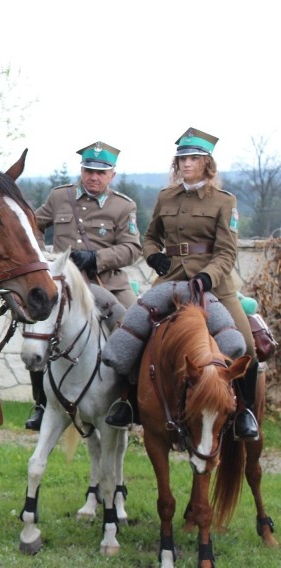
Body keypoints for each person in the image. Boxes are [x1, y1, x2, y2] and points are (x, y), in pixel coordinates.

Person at [141, 127, 258, 439]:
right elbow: (151, 237)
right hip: (170, 281)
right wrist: (154, 257)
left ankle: (244, 411)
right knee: (133, 332)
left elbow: (226, 251)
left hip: (214, 285)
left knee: (246, 344)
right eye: (181, 159)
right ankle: (128, 402)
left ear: (207, 163)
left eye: (193, 158)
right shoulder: (165, 196)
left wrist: (208, 275)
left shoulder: (223, 201)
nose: (186, 164)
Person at [26, 141, 141, 430]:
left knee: (135, 328)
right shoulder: (59, 197)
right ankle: (41, 403)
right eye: (89, 170)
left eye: (101, 173)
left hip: (108, 284)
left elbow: (132, 248)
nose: (94, 177)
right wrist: (42, 258)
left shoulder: (124, 206)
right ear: (82, 170)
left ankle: (126, 402)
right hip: (62, 286)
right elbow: (33, 225)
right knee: (36, 329)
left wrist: (97, 257)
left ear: (112, 175)